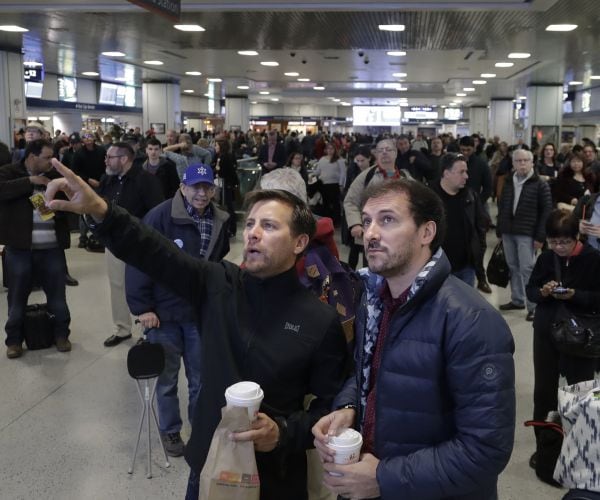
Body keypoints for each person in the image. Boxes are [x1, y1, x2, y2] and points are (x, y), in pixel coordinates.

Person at [44, 161, 350, 500]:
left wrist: (281, 432)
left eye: (268, 225)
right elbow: (155, 251)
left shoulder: (320, 321)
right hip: (210, 461)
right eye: (249, 224)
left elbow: (331, 411)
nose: (253, 233)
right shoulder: (219, 284)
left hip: (275, 474)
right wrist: (102, 211)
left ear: (299, 242)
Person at [312, 178, 515, 500]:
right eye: (366, 221)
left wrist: (383, 477)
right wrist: (350, 406)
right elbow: (369, 371)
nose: (371, 233)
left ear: (426, 232)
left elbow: (486, 449)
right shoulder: (375, 300)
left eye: (388, 220)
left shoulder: (471, 320)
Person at [125, 164, 230, 457]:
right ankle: (171, 430)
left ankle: (200, 429)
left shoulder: (219, 219)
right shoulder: (160, 217)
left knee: (201, 378)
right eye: (195, 186)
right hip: (163, 314)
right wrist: (142, 306)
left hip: (198, 312)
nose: (201, 193)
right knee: (167, 379)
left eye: (207, 187)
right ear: (182, 187)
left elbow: (216, 265)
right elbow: (138, 260)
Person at [525, 209, 600, 467]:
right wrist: (543, 292)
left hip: (581, 337)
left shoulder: (593, 259)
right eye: (553, 241)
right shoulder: (546, 258)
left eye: (564, 242)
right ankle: (545, 448)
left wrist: (575, 295)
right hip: (547, 332)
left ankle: (581, 449)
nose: (559, 247)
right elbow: (531, 291)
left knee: (582, 393)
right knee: (544, 394)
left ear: (576, 237)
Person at [0, 139, 72, 358]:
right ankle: (14, 341)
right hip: (20, 248)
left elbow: (63, 208)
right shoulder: (9, 172)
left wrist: (54, 204)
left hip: (51, 248)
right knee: (17, 296)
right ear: (32, 157)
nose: (52, 162)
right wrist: (30, 181)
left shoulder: (53, 177)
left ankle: (61, 334)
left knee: (58, 296)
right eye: (47, 157)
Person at [97, 142, 164, 347]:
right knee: (117, 285)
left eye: (110, 157)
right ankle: (122, 328)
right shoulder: (107, 180)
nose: (106, 160)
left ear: (124, 159)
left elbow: (157, 211)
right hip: (114, 242)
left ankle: (148, 329)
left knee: (145, 286)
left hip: (140, 243)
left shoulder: (145, 180)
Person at [497, 148, 552, 321]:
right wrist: (500, 228)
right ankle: (517, 299)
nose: (521, 164)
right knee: (512, 267)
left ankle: (533, 306)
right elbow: (502, 206)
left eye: (525, 161)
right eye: (518, 161)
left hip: (527, 233)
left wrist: (540, 237)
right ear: (512, 163)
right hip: (508, 231)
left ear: (532, 163)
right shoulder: (507, 181)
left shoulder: (540, 183)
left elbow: (546, 211)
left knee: (527, 269)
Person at [430, 153, 488, 288]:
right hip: (437, 268)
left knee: (465, 307)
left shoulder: (471, 197)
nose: (466, 176)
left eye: (466, 171)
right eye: (461, 172)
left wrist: (477, 259)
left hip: (466, 268)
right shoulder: (429, 197)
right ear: (446, 173)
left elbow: (480, 230)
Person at [314, 142, 346, 225]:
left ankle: (336, 221)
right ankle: (327, 221)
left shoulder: (339, 160)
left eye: (332, 149)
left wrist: (341, 184)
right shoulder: (322, 159)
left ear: (335, 150)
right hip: (324, 185)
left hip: (335, 185)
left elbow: (343, 173)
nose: (330, 150)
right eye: (328, 149)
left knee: (335, 204)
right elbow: (318, 171)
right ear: (325, 150)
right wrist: (311, 175)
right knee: (326, 204)